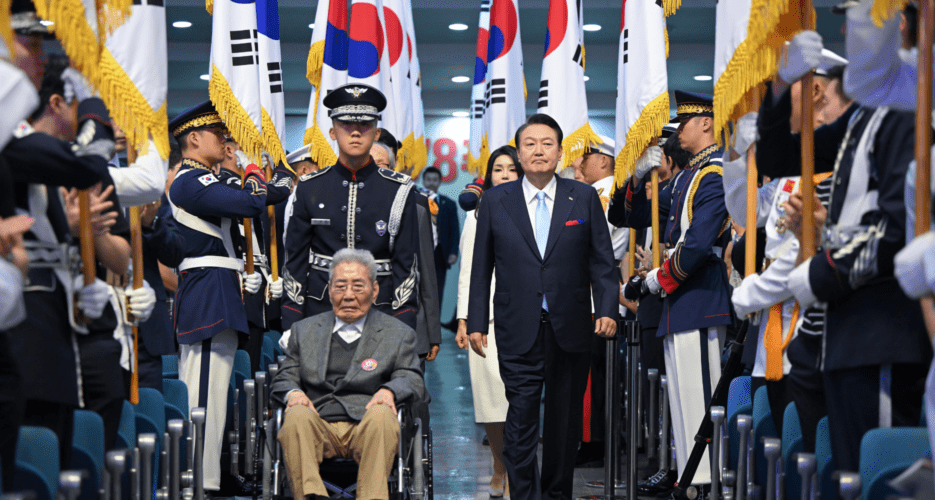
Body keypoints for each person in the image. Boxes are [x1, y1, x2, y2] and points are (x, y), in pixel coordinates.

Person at [467, 113, 618, 500]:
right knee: (519, 422)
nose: (538, 151)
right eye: (530, 144)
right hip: (518, 327)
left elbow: (601, 260)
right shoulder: (497, 200)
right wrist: (476, 323)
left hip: (571, 327)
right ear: (519, 153)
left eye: (546, 143)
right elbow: (482, 265)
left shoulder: (581, 197)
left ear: (560, 151)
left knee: (564, 426)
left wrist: (606, 309)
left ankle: (555, 495)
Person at [624, 91, 732, 492]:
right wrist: (637, 178)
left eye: (684, 122)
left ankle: (706, 483)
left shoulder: (715, 173)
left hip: (699, 296)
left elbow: (699, 244)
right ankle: (690, 478)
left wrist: (656, 278)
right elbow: (636, 215)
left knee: (701, 400)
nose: (677, 131)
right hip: (679, 301)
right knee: (684, 405)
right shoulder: (688, 174)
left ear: (706, 123)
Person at [167, 101, 267, 492]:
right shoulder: (191, 181)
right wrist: (252, 166)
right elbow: (251, 201)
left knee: (215, 391)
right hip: (207, 290)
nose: (225, 141)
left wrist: (258, 179)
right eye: (218, 134)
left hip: (217, 289)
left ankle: (207, 475)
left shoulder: (205, 179)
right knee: (202, 392)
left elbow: (262, 199)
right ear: (193, 139)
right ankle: (199, 479)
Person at [271, 248, 425, 500]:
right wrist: (294, 392)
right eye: (340, 286)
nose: (349, 296)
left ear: (375, 291)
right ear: (329, 289)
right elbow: (285, 375)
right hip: (317, 421)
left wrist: (389, 390)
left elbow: (412, 377)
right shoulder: (304, 330)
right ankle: (311, 496)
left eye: (358, 286)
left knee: (382, 415)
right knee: (296, 415)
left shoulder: (397, 334)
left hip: (366, 423)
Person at [282, 83, 421, 336]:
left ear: (376, 132)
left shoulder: (399, 189)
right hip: (320, 309)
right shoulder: (310, 187)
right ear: (333, 131)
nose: (355, 133)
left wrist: (404, 323)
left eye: (365, 125)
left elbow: (406, 264)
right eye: (346, 125)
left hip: (382, 311)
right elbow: (295, 260)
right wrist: (292, 320)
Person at [610, 125, 688, 495]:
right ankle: (663, 460)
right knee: (656, 391)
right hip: (652, 306)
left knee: (678, 395)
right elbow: (620, 214)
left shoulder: (686, 187)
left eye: (658, 162)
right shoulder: (665, 190)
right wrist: (637, 175)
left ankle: (675, 464)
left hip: (679, 302)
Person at [456, 145, 522, 497]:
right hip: (487, 320)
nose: (506, 174)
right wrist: (465, 318)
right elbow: (469, 268)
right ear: (489, 174)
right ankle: (499, 462)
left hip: (525, 316)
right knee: (491, 401)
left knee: (518, 401)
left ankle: (515, 468)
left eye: (512, 168)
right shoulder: (477, 212)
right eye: (499, 169)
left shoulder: (533, 208)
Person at [371, 140, 441, 363]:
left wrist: (433, 334)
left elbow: (426, 272)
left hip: (409, 325)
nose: (377, 171)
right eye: (370, 165)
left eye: (383, 165)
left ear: (393, 169)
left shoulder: (416, 206)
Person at [136, 139, 185, 392]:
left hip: (147, 329)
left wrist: (150, 224)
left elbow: (174, 251)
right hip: (100, 320)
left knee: (150, 407)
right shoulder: (86, 176)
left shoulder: (147, 186)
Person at [421, 166, 460, 302]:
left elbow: (455, 231)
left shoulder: (449, 204)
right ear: (423, 181)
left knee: (437, 291)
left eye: (434, 180)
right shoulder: (415, 200)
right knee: (419, 291)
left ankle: (435, 323)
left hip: (440, 254)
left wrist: (453, 252)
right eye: (428, 179)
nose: (431, 183)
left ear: (440, 182)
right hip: (420, 253)